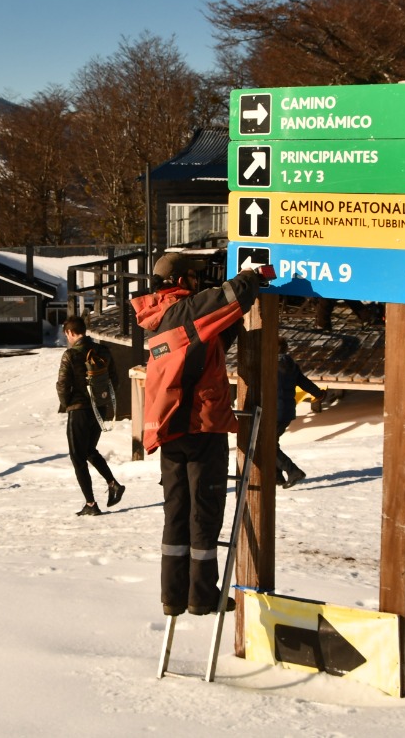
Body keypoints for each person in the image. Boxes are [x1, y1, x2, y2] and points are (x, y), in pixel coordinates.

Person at [130, 252, 269, 617]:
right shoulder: (185, 311)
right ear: (181, 280)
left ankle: (174, 595)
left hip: (170, 427)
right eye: (194, 276)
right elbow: (231, 296)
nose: (199, 282)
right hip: (199, 424)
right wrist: (252, 275)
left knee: (177, 513)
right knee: (204, 513)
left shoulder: (160, 315)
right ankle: (202, 596)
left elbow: (206, 341)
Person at [57, 316, 124, 516]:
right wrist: (102, 401)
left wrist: (67, 403)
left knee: (77, 457)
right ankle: (113, 484)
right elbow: (114, 380)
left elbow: (62, 384)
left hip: (78, 409)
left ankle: (91, 504)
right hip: (99, 408)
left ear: (70, 333)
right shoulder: (103, 350)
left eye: (67, 335)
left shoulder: (70, 354)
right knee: (88, 450)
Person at [275, 337, 324, 489]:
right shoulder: (292, 366)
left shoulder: (270, 365)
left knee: (265, 444)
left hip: (274, 411)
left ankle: (293, 471)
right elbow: (305, 383)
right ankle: (277, 477)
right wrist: (319, 394)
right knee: (270, 443)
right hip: (287, 411)